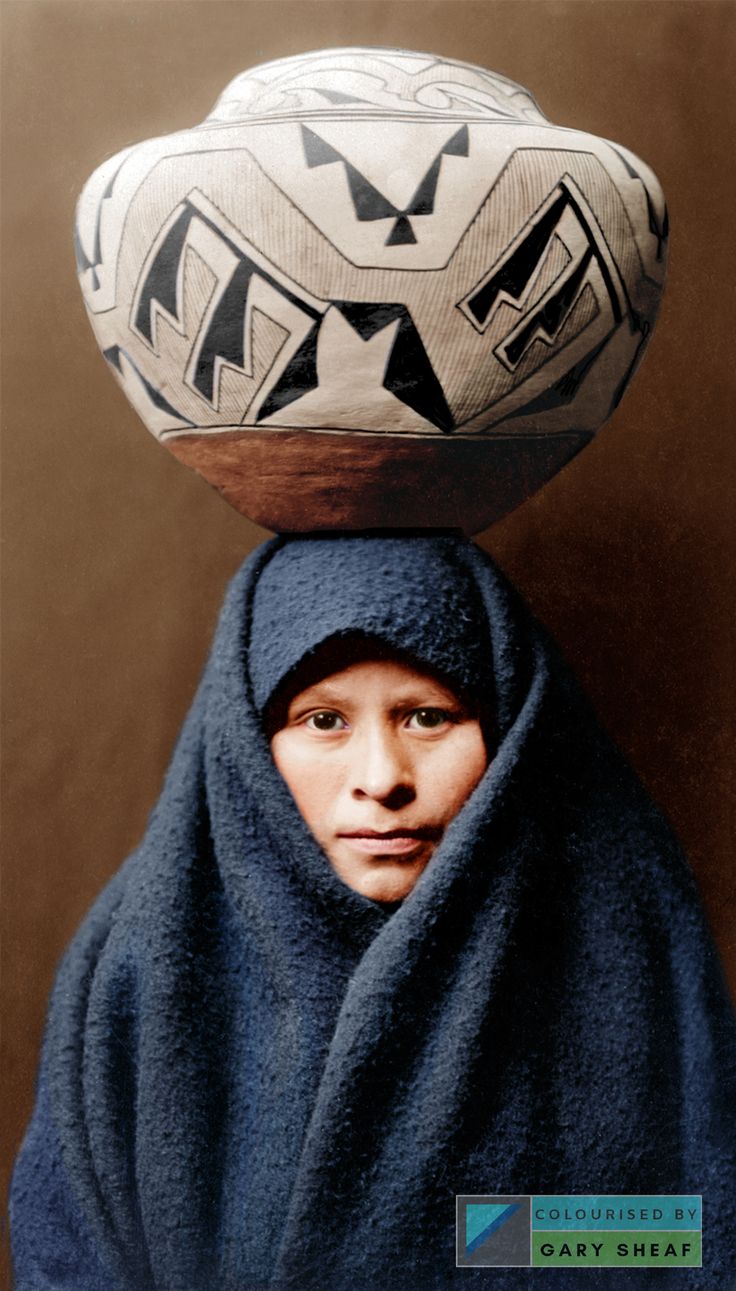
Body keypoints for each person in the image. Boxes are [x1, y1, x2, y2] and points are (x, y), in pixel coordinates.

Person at [10, 534, 736, 1290]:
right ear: (248, 744)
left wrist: (468, 1238)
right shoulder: (139, 960)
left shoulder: (619, 930)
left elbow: (682, 1234)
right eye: (324, 720)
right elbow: (64, 1257)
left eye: (427, 716)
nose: (382, 777)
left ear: (507, 731)